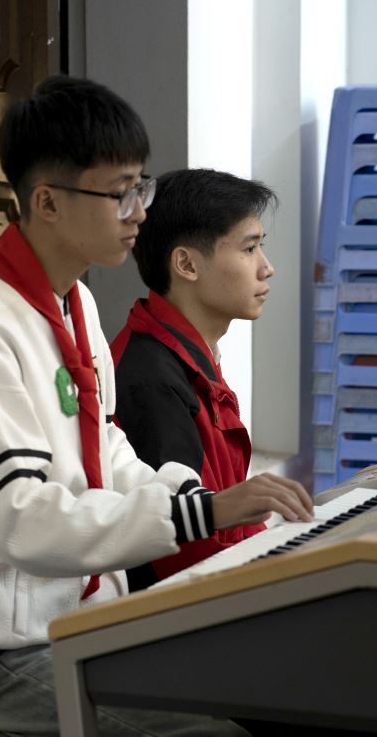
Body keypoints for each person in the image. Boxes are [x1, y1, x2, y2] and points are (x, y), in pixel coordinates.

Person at [0, 76, 313, 736]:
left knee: (286, 687)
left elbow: (107, 451)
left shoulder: (72, 303)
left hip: (71, 623)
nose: (139, 212)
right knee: (216, 728)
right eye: (119, 193)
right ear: (47, 202)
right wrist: (202, 513)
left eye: (142, 187)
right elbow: (20, 522)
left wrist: (195, 500)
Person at [110, 169, 278, 590]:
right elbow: (189, 557)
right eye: (249, 249)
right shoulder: (151, 385)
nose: (266, 268)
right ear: (186, 264)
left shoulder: (188, 356)